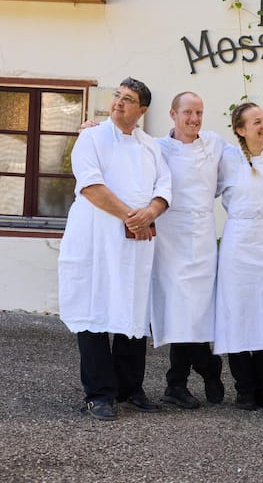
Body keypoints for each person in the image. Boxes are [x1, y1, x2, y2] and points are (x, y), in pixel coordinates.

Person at [58, 77, 172, 421]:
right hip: (97, 238)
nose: (119, 102)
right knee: (95, 309)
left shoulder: (151, 145)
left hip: (135, 242)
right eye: (118, 96)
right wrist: (129, 216)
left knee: (132, 310)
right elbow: (91, 185)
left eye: (128, 98)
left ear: (142, 109)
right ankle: (99, 394)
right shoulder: (91, 137)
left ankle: (129, 388)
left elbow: (164, 186)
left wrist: (150, 212)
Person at [145, 92, 226, 410]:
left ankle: (177, 383)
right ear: (173, 114)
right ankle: (202, 368)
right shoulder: (155, 147)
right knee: (176, 308)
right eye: (188, 113)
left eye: (200, 113)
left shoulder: (215, 144)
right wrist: (93, 127)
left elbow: (247, 157)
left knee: (195, 310)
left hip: (202, 234)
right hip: (169, 234)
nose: (195, 119)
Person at [214, 103, 263, 410]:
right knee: (238, 313)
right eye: (256, 121)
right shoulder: (226, 159)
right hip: (237, 241)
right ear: (240, 129)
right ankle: (244, 388)